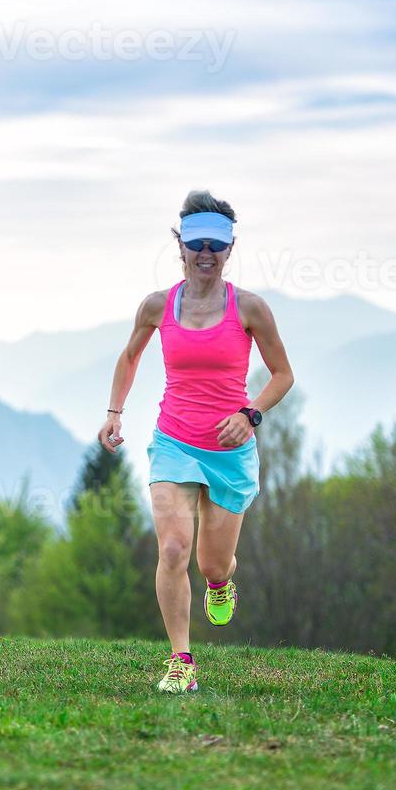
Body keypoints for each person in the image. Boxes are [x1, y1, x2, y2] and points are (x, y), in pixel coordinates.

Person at [98, 190, 294, 693]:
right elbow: (130, 357)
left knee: (211, 561)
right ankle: (181, 661)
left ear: (230, 249)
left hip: (229, 451)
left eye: (217, 245)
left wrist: (250, 415)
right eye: (196, 244)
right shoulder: (157, 306)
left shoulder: (249, 308)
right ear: (180, 246)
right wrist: (114, 412)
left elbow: (282, 375)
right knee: (172, 549)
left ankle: (221, 581)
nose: (206, 254)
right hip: (175, 441)